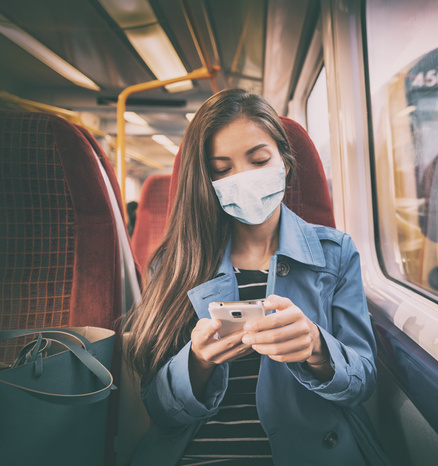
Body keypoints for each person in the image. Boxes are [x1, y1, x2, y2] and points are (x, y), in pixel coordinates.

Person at [124, 89, 388, 466]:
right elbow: (160, 410)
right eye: (222, 169)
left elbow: (361, 383)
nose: (243, 179)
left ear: (284, 162)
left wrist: (316, 347)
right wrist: (198, 361)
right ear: (206, 181)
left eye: (259, 159)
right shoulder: (175, 262)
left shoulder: (336, 252)